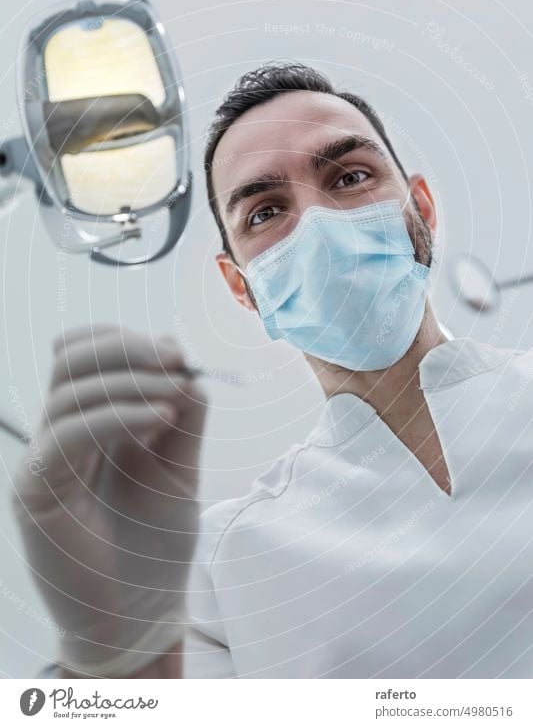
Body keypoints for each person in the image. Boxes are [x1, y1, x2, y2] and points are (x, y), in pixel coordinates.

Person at [12, 62, 533, 680]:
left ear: (420, 207)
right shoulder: (227, 564)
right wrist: (111, 648)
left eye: (351, 176)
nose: (316, 224)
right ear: (241, 286)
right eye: (264, 212)